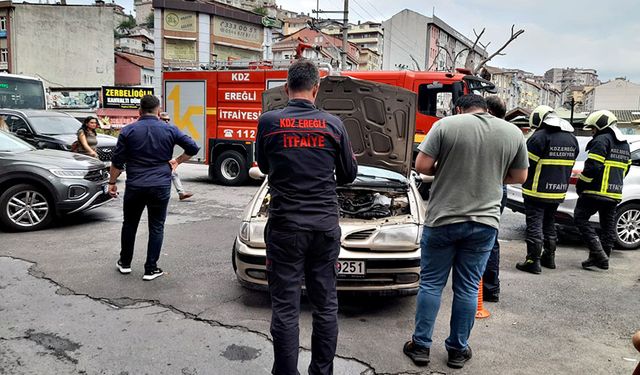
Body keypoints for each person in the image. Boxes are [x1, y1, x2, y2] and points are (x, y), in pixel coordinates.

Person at [403, 94, 528, 369]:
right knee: (469, 287)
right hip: (484, 223)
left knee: (432, 283)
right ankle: (458, 350)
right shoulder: (511, 132)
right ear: (486, 108)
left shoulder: (446, 125)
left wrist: (446, 169)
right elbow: (519, 177)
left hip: (443, 219)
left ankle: (421, 346)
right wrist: (494, 174)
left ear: (459, 108)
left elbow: (421, 166)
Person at [256, 59, 357, 375]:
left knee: (286, 307)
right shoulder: (333, 124)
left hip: (285, 227)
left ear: (286, 89)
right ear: (317, 88)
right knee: (325, 305)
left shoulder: (269, 121)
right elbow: (349, 174)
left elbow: (264, 166)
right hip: (324, 227)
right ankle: (321, 372)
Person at [108, 95, 199, 281]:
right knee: (156, 227)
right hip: (160, 186)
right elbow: (193, 147)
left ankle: (125, 263)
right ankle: (151, 268)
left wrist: (111, 183)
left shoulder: (128, 131)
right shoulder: (169, 129)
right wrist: (177, 161)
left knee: (129, 224)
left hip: (135, 185)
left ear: (139, 111)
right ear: (158, 110)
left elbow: (117, 162)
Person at [515, 106, 579, 274]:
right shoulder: (571, 139)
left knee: (534, 225)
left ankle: (533, 261)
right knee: (550, 223)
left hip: (536, 191)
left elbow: (526, 164)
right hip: (558, 192)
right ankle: (549, 258)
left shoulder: (539, 137)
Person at [574, 110, 630, 270]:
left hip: (595, 191)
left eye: (593, 128)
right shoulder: (624, 143)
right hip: (614, 193)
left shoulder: (601, 140)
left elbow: (592, 167)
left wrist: (581, 184)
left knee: (580, 218)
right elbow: (625, 169)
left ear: (600, 125)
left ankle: (598, 253)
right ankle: (602, 259)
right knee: (607, 226)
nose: (592, 131)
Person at [482, 95, 508, 302]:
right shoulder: (509, 133)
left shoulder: (486, 131)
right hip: (501, 186)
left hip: (485, 186)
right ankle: (491, 289)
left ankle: (478, 287)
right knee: (490, 235)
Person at [159, 111, 194, 201]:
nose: (167, 122)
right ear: (159, 119)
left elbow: (192, 146)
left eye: (168, 120)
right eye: (164, 120)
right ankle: (181, 193)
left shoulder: (170, 131)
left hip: (163, 160)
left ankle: (181, 193)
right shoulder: (157, 131)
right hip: (155, 161)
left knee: (173, 173)